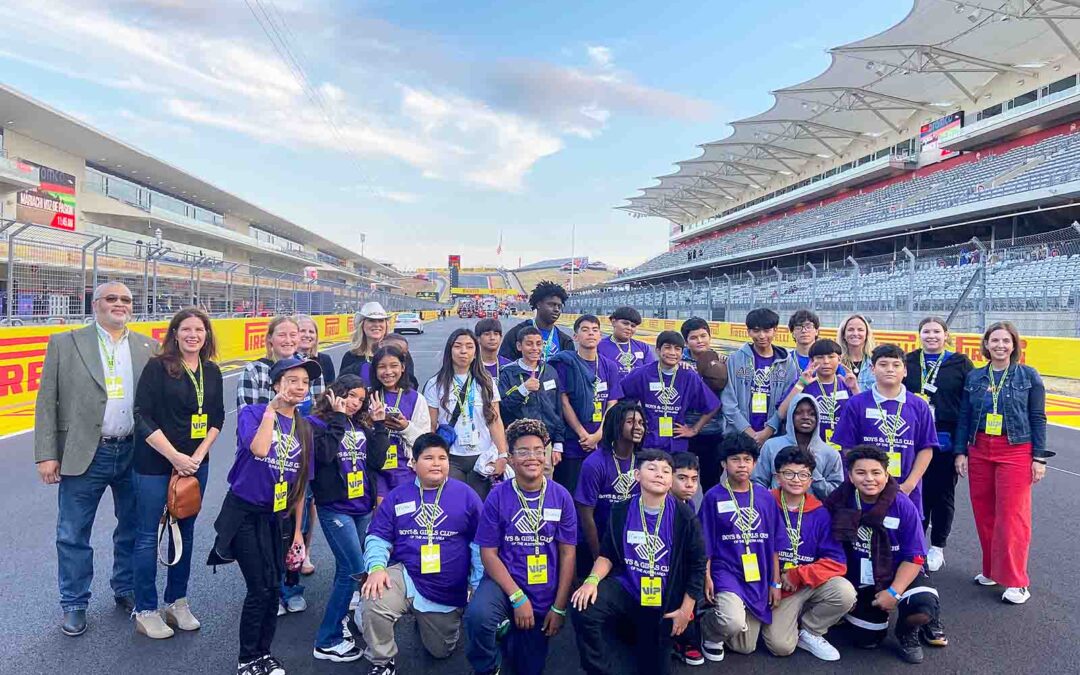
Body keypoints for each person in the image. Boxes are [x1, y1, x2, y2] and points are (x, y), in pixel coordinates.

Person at [35, 281, 158, 637]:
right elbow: (46, 401)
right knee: (73, 533)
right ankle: (74, 604)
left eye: (126, 300)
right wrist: (46, 455)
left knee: (133, 527)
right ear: (96, 304)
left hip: (135, 451)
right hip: (85, 451)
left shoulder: (147, 346)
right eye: (112, 298)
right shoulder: (65, 343)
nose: (119, 304)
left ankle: (125, 588)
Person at [209, 356, 320, 675]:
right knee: (259, 587)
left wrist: (298, 533)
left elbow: (301, 485)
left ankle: (263, 653)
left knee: (273, 585)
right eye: (292, 380)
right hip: (244, 513)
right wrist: (272, 409)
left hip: (278, 517)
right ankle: (247, 659)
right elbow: (258, 449)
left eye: (304, 382)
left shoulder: (305, 427)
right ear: (275, 384)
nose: (299, 387)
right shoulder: (254, 413)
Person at [131, 308, 225, 639]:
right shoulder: (158, 368)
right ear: (174, 333)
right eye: (186, 329)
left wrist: (196, 457)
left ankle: (177, 601)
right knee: (146, 536)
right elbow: (141, 415)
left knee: (184, 532)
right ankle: (145, 609)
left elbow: (217, 418)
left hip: (196, 465)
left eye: (199, 329)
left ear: (206, 335)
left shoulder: (212, 371)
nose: (192, 335)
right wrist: (174, 456)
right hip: (155, 463)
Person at [571, 450, 707, 675]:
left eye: (666, 471)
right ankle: (599, 669)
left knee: (653, 666)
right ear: (637, 475)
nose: (659, 475)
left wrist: (686, 610)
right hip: (628, 589)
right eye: (651, 468)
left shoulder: (684, 517)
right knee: (584, 607)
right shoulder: (621, 510)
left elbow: (698, 564)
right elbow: (607, 555)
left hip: (663, 599)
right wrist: (591, 581)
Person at [360, 433, 485, 675]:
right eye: (428, 458)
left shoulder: (466, 495)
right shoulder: (398, 495)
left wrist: (477, 585)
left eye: (442, 457)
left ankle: (435, 621)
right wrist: (375, 568)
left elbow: (479, 545)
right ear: (413, 463)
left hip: (446, 587)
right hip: (406, 574)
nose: (437, 463)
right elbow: (378, 537)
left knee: (440, 651)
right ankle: (382, 661)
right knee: (373, 597)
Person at [464, 419, 578, 675]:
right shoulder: (498, 495)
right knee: (478, 617)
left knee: (527, 667)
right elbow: (488, 553)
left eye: (538, 450)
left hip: (544, 586)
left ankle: (508, 632)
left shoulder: (561, 497)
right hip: (504, 583)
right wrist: (517, 597)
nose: (532, 457)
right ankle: (486, 667)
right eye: (523, 452)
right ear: (512, 459)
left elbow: (568, 553)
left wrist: (559, 607)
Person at [954, 321, 1052, 605]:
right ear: (985, 345)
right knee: (985, 514)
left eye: (1005, 341)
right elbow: (964, 418)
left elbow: (1038, 417)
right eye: (994, 341)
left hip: (1016, 449)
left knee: (1012, 518)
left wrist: (1039, 457)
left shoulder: (1028, 376)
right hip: (980, 447)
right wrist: (961, 451)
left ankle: (1017, 581)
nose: (999, 346)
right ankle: (992, 571)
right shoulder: (975, 377)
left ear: (1015, 345)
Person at [824, 446, 944, 664]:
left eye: (876, 472)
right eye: (861, 473)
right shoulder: (838, 501)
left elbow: (915, 556)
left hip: (900, 571)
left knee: (923, 607)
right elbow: (828, 548)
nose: (869, 478)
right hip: (861, 576)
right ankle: (871, 616)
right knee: (866, 640)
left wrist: (894, 592)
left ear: (886, 475)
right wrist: (843, 594)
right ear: (850, 476)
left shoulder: (902, 505)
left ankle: (907, 631)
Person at [308, 375, 390, 662]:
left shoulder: (360, 424)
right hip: (335, 508)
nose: (355, 403)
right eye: (350, 396)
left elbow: (377, 462)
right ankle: (327, 638)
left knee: (350, 566)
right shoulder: (317, 423)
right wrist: (339, 418)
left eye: (360, 398)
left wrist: (379, 424)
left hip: (361, 506)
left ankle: (339, 618)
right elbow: (324, 457)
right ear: (335, 394)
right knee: (354, 568)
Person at [697, 433, 788, 662]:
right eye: (735, 459)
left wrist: (775, 583)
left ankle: (732, 612)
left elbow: (775, 544)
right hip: (726, 570)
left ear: (755, 464)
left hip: (758, 572)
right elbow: (705, 541)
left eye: (747, 459)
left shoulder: (765, 498)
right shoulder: (713, 497)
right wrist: (707, 577)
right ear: (723, 464)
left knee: (745, 647)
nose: (742, 465)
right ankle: (708, 630)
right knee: (733, 622)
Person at [763, 446, 855, 661]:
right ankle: (784, 619)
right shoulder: (762, 503)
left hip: (805, 583)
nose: (796, 480)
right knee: (781, 647)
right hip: (773, 586)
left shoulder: (820, 512)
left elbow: (836, 562)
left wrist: (798, 574)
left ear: (811, 479)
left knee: (844, 592)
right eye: (789, 473)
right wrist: (774, 581)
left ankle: (811, 630)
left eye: (803, 474)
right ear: (777, 477)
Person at [831, 344, 938, 520]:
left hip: (906, 487)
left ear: (905, 371)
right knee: (863, 539)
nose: (890, 369)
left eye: (896, 365)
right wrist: (863, 480)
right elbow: (848, 447)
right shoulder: (856, 404)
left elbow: (926, 448)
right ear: (873, 369)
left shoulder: (919, 405)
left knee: (905, 539)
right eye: (883, 364)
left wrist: (909, 484)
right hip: (866, 488)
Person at [903, 317, 973, 573]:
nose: (931, 336)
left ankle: (938, 546)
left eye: (936, 331)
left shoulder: (960, 363)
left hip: (945, 438)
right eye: (926, 331)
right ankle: (915, 544)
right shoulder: (908, 361)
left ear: (946, 335)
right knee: (914, 492)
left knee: (942, 495)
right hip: (910, 438)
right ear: (919, 334)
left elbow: (967, 407)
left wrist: (961, 450)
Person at [424, 329, 509, 499]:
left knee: (480, 507)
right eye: (458, 346)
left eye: (469, 347)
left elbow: (495, 420)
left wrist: (502, 455)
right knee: (454, 505)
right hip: (450, 457)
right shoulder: (435, 384)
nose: (463, 351)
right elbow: (431, 425)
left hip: (482, 457)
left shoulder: (486, 382)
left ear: (476, 353)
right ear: (450, 350)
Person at [549, 314, 623, 493]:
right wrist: (583, 434)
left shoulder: (610, 366)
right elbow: (563, 402)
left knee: (598, 494)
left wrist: (598, 435)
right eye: (585, 330)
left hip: (600, 442)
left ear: (600, 336)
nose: (590, 333)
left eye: (595, 330)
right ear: (575, 336)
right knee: (571, 492)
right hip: (573, 443)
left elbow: (612, 403)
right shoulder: (565, 363)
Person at [619, 331, 720, 454]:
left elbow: (713, 405)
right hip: (647, 441)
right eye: (667, 348)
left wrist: (694, 430)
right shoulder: (642, 373)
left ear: (682, 353)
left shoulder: (688, 376)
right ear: (657, 350)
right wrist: (632, 423)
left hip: (676, 443)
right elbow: (619, 398)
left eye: (677, 349)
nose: (672, 353)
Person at [576, 400, 645, 565]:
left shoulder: (645, 461)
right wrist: (598, 557)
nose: (638, 427)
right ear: (616, 424)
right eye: (630, 422)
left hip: (635, 542)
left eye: (641, 423)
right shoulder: (594, 463)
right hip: (598, 541)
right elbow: (586, 516)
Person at [722, 308, 798, 448]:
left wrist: (768, 431)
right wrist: (750, 433)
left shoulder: (787, 363)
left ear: (775, 330)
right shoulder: (735, 359)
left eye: (767, 330)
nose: (762, 336)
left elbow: (787, 401)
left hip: (773, 437)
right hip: (738, 437)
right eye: (756, 330)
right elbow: (728, 401)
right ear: (749, 331)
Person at [369, 345, 431, 498]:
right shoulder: (367, 396)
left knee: (404, 516)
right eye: (382, 367)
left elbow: (426, 441)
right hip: (377, 469)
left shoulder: (416, 398)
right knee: (381, 516)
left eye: (394, 366)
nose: (388, 372)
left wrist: (406, 427)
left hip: (406, 470)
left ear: (403, 367)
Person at [498, 327, 565, 465]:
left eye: (539, 344)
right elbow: (502, 408)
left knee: (545, 480)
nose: (535, 348)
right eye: (529, 344)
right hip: (518, 442)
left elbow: (558, 408)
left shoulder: (550, 371)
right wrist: (523, 390)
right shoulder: (508, 373)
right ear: (519, 346)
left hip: (545, 442)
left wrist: (558, 443)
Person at [755, 394, 843, 499]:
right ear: (791, 416)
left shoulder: (831, 454)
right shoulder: (771, 446)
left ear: (818, 418)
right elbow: (758, 482)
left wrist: (812, 471)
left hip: (814, 513)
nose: (805, 417)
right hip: (776, 511)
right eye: (799, 413)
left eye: (811, 414)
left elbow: (836, 495)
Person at [680, 317, 728, 490]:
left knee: (711, 481)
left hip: (713, 432)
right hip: (684, 431)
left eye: (703, 336)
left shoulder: (722, 361)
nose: (699, 341)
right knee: (682, 482)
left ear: (710, 336)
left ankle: (709, 516)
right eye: (694, 338)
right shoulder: (678, 362)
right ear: (686, 342)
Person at [777, 338, 852, 449]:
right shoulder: (802, 382)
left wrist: (855, 388)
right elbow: (781, 413)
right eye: (820, 357)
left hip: (841, 448)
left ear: (839, 359)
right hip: (807, 448)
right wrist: (800, 384)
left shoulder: (846, 383)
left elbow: (858, 417)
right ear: (811, 361)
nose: (826, 361)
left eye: (831, 357)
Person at [669, 452, 705, 666]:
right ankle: (676, 638)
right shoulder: (664, 503)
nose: (689, 485)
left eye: (694, 479)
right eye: (682, 478)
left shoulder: (690, 504)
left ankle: (688, 639)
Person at [236, 316, 300, 410]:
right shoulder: (254, 370)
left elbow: (319, 412)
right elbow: (246, 416)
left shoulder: (309, 368)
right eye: (282, 335)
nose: (288, 340)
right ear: (270, 338)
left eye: (293, 335)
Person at [500, 281, 572, 362]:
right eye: (551, 304)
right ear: (538, 304)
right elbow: (504, 366)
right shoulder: (515, 334)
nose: (556, 309)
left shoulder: (565, 341)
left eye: (559, 306)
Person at [295, 314, 336, 415]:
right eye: (302, 331)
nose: (307, 335)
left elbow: (330, 391)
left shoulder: (325, 360)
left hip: (318, 416)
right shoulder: (285, 360)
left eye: (311, 332)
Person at [598, 306, 657, 375]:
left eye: (633, 326)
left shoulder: (643, 347)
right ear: (613, 322)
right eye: (625, 323)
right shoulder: (599, 346)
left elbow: (650, 373)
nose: (629, 328)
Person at [341, 302, 389, 382]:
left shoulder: (398, 354)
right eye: (371, 320)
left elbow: (409, 386)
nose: (377, 325)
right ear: (362, 325)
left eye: (381, 320)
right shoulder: (350, 357)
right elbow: (342, 387)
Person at [838, 314, 876, 393]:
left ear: (866, 334)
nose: (855, 333)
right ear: (843, 334)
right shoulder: (836, 363)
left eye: (860, 330)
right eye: (850, 329)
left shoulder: (875, 362)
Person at [786, 308, 821, 373]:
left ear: (816, 331)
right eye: (799, 327)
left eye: (808, 327)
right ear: (793, 333)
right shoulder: (785, 360)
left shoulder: (827, 360)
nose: (804, 331)